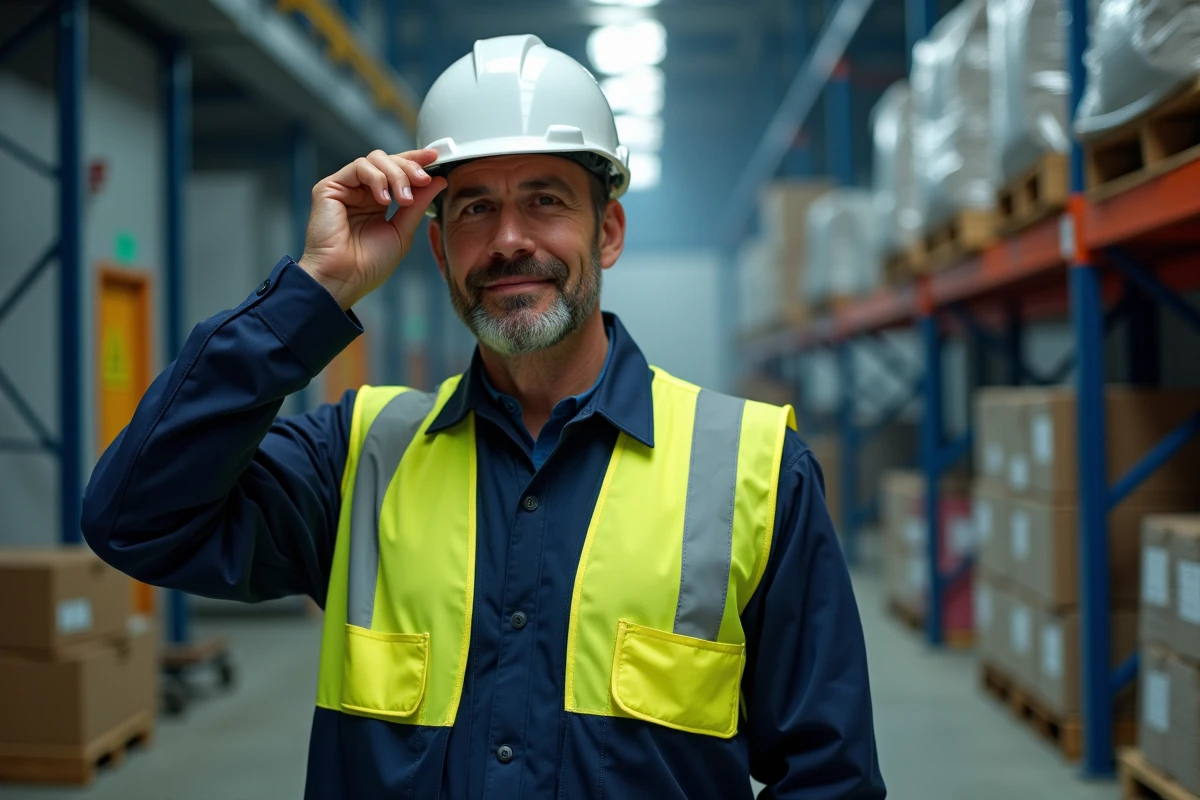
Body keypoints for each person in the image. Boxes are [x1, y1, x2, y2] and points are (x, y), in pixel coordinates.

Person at [82, 34, 885, 800]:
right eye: (472, 210)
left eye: (545, 201)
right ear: (436, 250)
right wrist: (314, 292)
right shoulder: (358, 457)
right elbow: (134, 518)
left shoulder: (752, 470)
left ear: (607, 232)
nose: (508, 240)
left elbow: (828, 775)